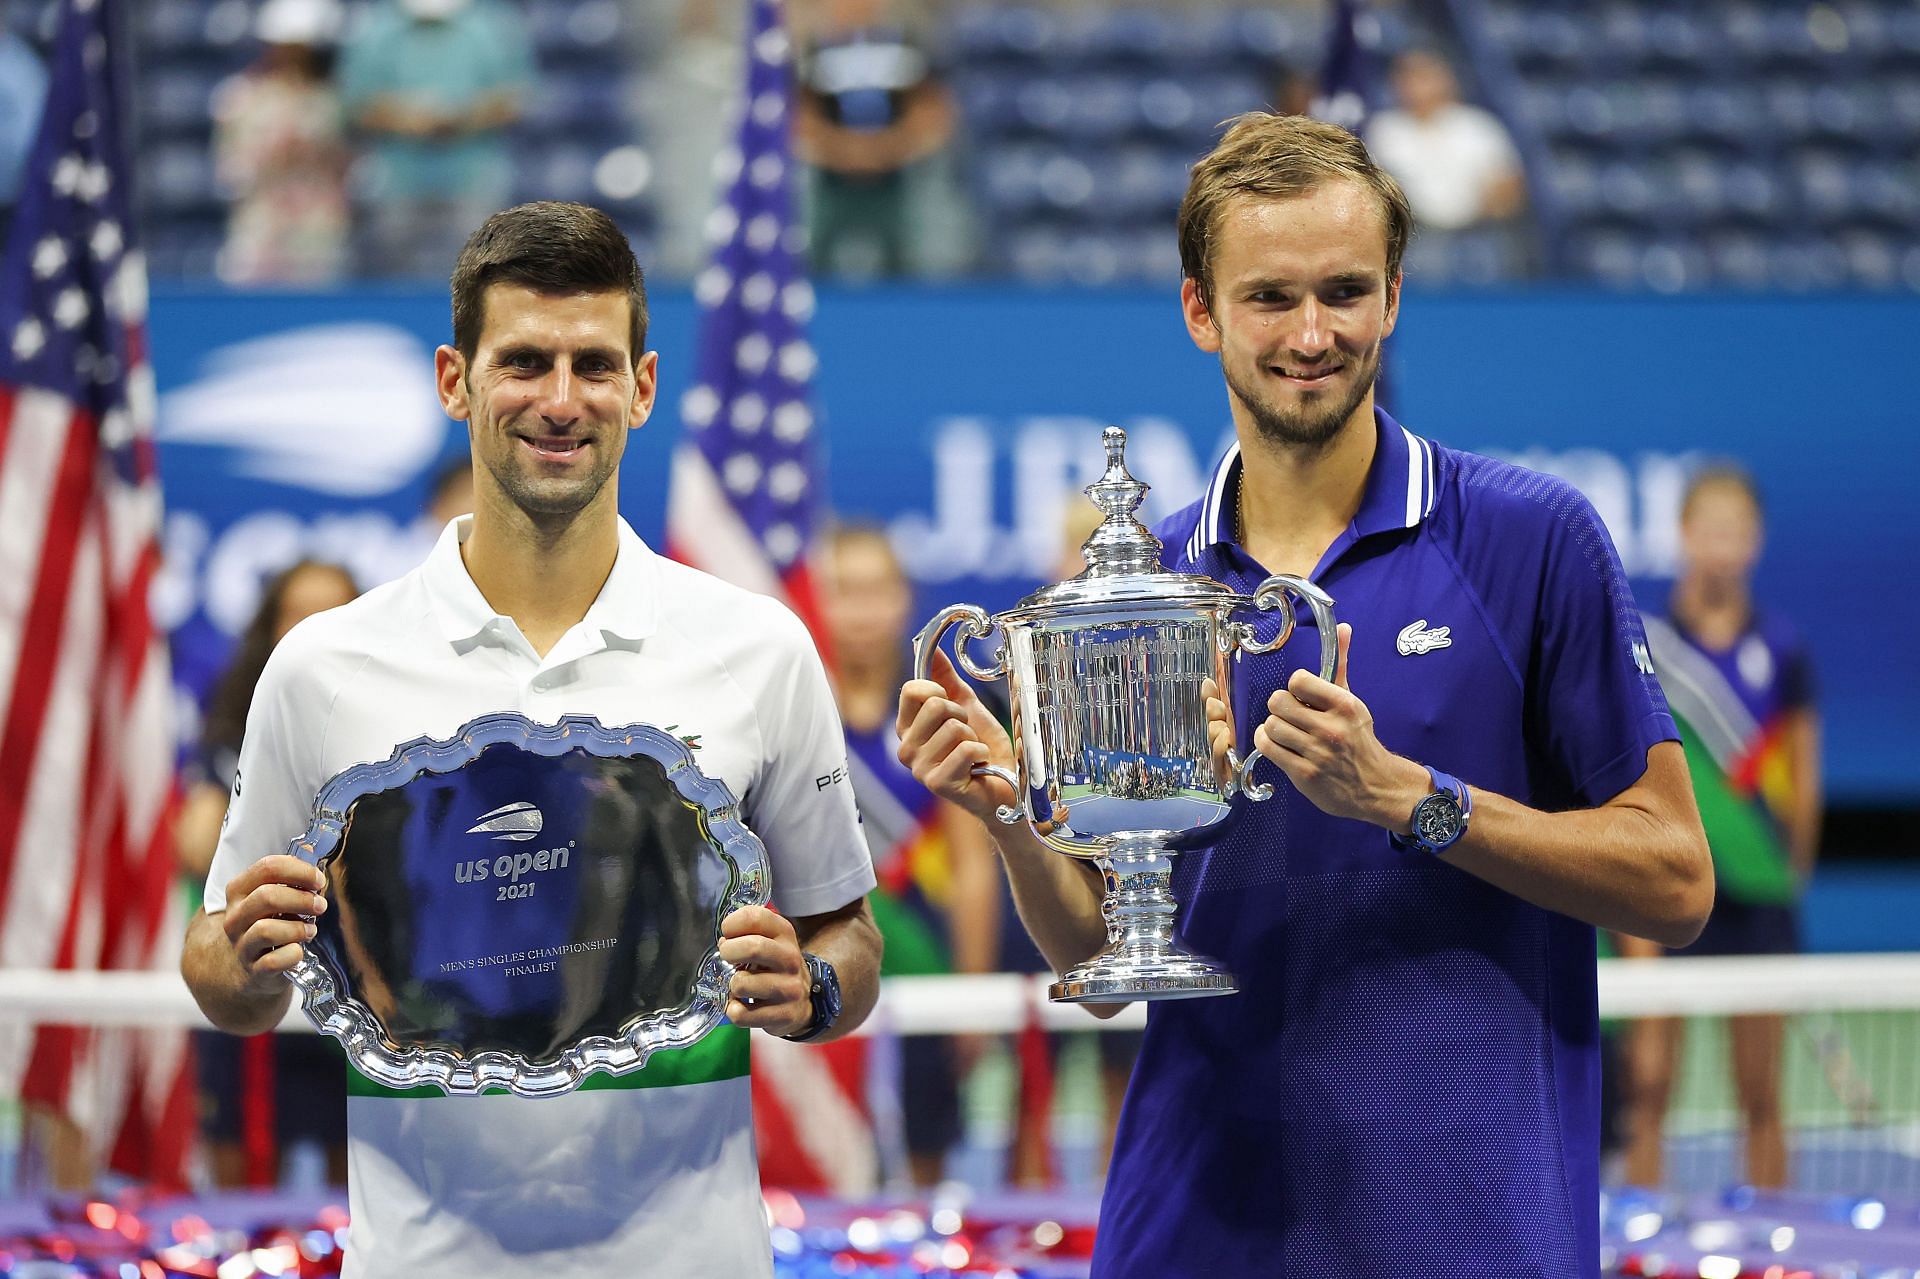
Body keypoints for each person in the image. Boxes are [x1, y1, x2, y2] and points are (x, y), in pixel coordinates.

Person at [897, 112, 1713, 1277]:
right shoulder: (1141, 590)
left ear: (1393, 296)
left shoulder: (1534, 540)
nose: (1312, 334)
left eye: (1344, 291)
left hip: (1466, 1229)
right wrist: (1014, 820)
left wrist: (1413, 798)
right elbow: (1102, 961)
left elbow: (1676, 882)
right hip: (1192, 1228)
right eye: (1271, 297)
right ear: (1200, 311)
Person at [180, 202, 882, 1277]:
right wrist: (244, 960)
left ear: (643, 386)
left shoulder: (758, 647)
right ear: (455, 381)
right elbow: (219, 966)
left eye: (594, 365)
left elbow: (848, 934)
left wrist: (815, 991)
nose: (561, 402)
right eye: (523, 362)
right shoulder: (324, 665)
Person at [1619, 465, 1822, 1189]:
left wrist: (1787, 876)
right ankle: (1641, 1248)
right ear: (1682, 536)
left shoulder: (1786, 649)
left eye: (1736, 531)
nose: (1721, 545)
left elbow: (1804, 772)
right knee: (1649, 1088)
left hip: (1758, 898)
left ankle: (1774, 1248)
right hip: (1669, 886)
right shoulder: (1644, 645)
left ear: (1756, 541)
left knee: (1762, 1093)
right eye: (1709, 529)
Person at [816, 524, 998, 1186]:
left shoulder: (934, 711)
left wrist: (974, 996)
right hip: (824, 968)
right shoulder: (796, 709)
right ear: (814, 599)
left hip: (925, 964)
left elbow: (974, 865)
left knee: (926, 1160)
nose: (860, 611)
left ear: (903, 600)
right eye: (843, 592)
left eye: (875, 591)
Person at [177, 559, 359, 1187]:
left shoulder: (393, 732)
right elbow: (196, 846)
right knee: (243, 1193)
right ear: (271, 628)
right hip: (260, 976)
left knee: (355, 1190)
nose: (312, 629)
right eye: (296, 612)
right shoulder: (236, 727)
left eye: (331, 611)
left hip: (357, 984)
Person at [337, 0, 532, 278]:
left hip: (472, 177)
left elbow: (515, 96)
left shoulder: (494, 25)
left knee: (478, 275)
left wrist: (460, 118)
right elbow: (355, 102)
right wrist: (407, 118)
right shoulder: (375, 28)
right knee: (393, 276)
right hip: (397, 180)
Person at [793, 0, 957, 279]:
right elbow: (799, 115)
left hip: (894, 178)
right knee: (818, 262)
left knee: (901, 263)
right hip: (832, 179)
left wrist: (887, 148)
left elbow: (932, 111)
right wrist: (842, 149)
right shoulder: (818, 47)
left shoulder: (905, 44)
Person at [210, 0, 351, 284]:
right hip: (260, 229)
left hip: (318, 232)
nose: (293, 54)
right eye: (286, 45)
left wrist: (319, 154)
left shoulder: (333, 99)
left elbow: (351, 164)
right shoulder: (240, 97)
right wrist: (272, 155)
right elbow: (229, 171)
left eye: (300, 46)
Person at [1364, 49, 1525, 235]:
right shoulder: (1382, 129)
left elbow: (1510, 187)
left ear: (1446, 78)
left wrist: (1496, 202)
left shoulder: (1478, 125)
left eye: (1425, 76)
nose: (1417, 85)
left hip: (1476, 231)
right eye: (1408, 76)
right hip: (1413, 234)